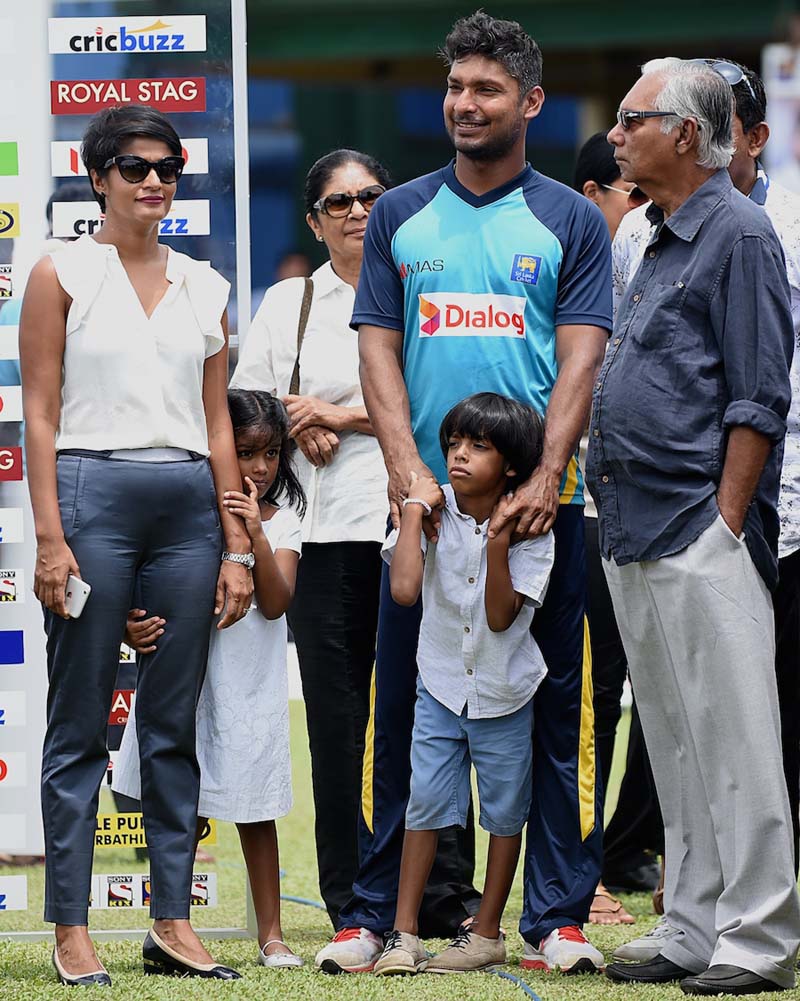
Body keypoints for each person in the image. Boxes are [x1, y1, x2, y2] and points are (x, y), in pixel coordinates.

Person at [316, 11, 612, 976]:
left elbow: (581, 356)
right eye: (454, 87)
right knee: (400, 711)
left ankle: (555, 917)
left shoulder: (567, 216)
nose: (464, 104)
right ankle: (377, 914)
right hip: (425, 513)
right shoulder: (401, 210)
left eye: (486, 89)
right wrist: (405, 469)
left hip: (539, 510)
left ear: (529, 102)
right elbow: (378, 346)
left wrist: (544, 473)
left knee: (554, 710)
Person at [20, 104, 252, 986]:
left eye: (166, 166)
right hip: (90, 494)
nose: (153, 180)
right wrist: (50, 535)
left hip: (190, 503)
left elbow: (218, 421)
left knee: (171, 722)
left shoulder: (206, 284)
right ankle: (72, 925)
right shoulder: (60, 272)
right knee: (80, 721)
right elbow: (38, 413)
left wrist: (235, 540)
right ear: (98, 177)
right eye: (134, 166)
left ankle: (171, 921)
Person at [589, 60, 800, 994]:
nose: (616, 134)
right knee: (673, 740)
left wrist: (726, 520)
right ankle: (692, 924)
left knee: (738, 740)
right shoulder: (655, 231)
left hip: (697, 524)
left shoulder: (742, 235)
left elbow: (759, 397)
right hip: (635, 523)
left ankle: (758, 938)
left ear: (684, 134)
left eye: (632, 119)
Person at [233, 150, 476, 933]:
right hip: (319, 536)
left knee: (428, 717)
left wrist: (332, 413)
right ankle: (352, 902)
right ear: (314, 219)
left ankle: (439, 894)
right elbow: (251, 412)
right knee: (338, 730)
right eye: (338, 203)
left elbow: (453, 408)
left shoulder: (423, 290)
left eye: (371, 196)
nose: (356, 211)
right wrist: (293, 416)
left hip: (415, 528)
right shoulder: (290, 302)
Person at [115, 390, 306, 970]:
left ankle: (271, 934)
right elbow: (141, 582)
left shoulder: (284, 517)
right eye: (246, 452)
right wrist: (132, 622)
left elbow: (276, 603)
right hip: (186, 677)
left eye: (272, 454)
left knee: (255, 806)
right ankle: (171, 924)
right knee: (178, 804)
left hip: (249, 682)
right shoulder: (186, 518)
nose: (259, 468)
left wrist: (257, 536)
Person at [372, 393, 554, 975]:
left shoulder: (530, 526)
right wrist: (410, 514)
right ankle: (404, 934)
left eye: (479, 446)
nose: (458, 455)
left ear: (511, 466)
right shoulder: (431, 511)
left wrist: (498, 540)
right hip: (442, 685)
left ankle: (486, 932)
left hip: (504, 693)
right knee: (424, 803)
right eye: (453, 443)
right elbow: (403, 591)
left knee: (503, 813)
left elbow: (502, 617)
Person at [573, 132, 662, 927]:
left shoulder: (669, 254)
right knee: (593, 697)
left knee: (665, 692)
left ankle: (639, 851)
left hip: (664, 511)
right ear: (597, 195)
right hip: (588, 509)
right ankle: (582, 873)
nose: (638, 213)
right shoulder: (581, 267)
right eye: (628, 195)